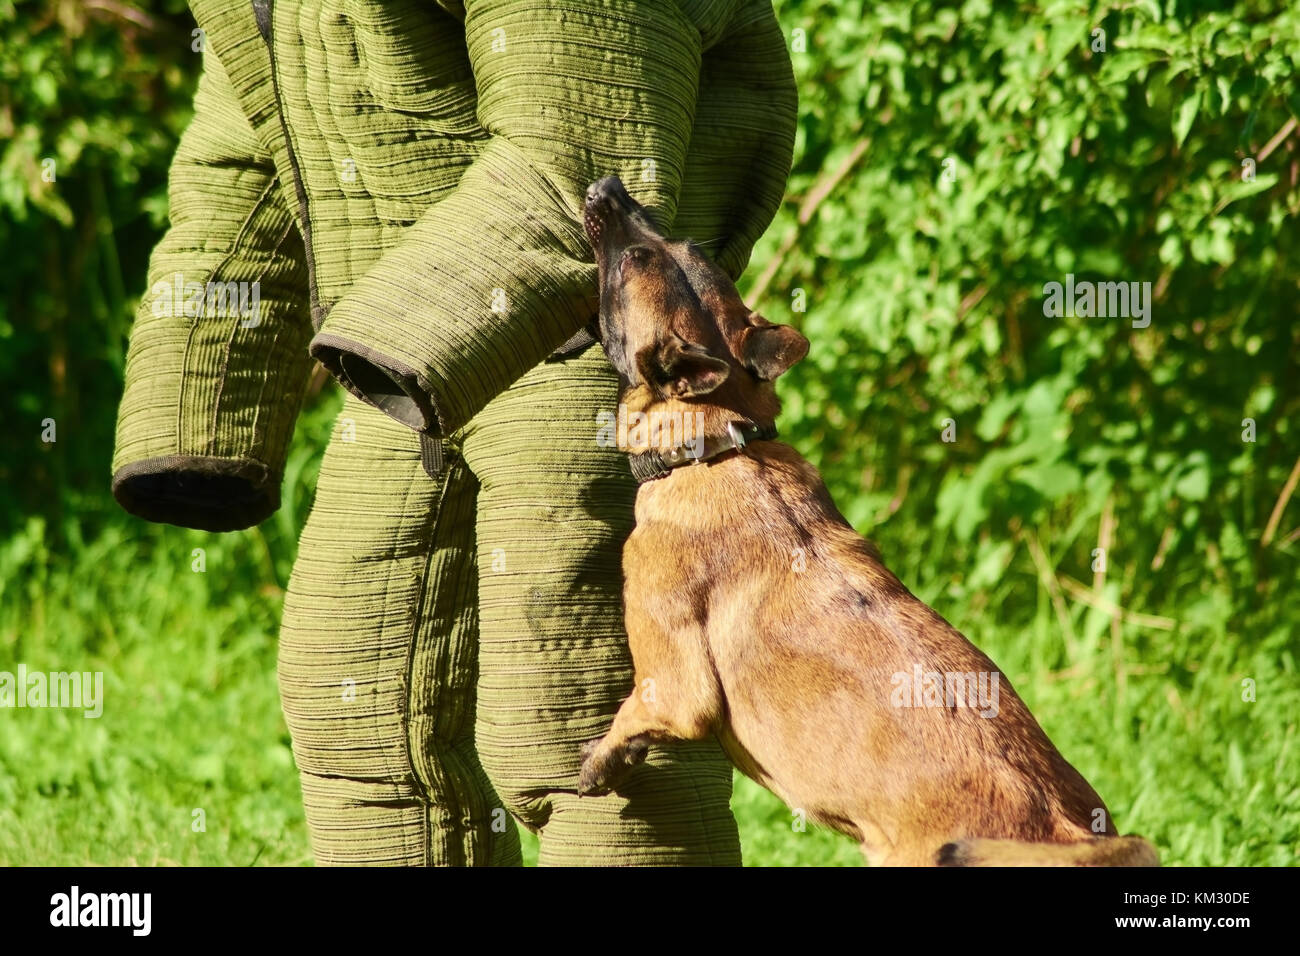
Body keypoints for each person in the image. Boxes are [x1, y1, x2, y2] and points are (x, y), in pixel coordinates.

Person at [111, 0, 796, 865]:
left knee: (584, 718)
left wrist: (400, 339)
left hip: (596, 345)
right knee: (358, 695)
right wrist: (197, 391)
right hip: (400, 350)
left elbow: (580, 153)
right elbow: (253, 127)